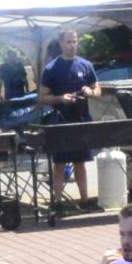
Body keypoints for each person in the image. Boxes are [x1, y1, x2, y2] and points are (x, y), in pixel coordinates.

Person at [40, 28, 100, 206]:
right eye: (68, 42)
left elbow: (98, 89)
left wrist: (91, 91)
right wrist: (60, 98)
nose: (72, 45)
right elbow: (42, 98)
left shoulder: (86, 65)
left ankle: (85, 200)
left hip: (81, 120)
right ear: (61, 44)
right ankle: (57, 202)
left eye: (74, 41)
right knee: (60, 164)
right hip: (60, 121)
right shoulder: (51, 69)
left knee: (80, 162)